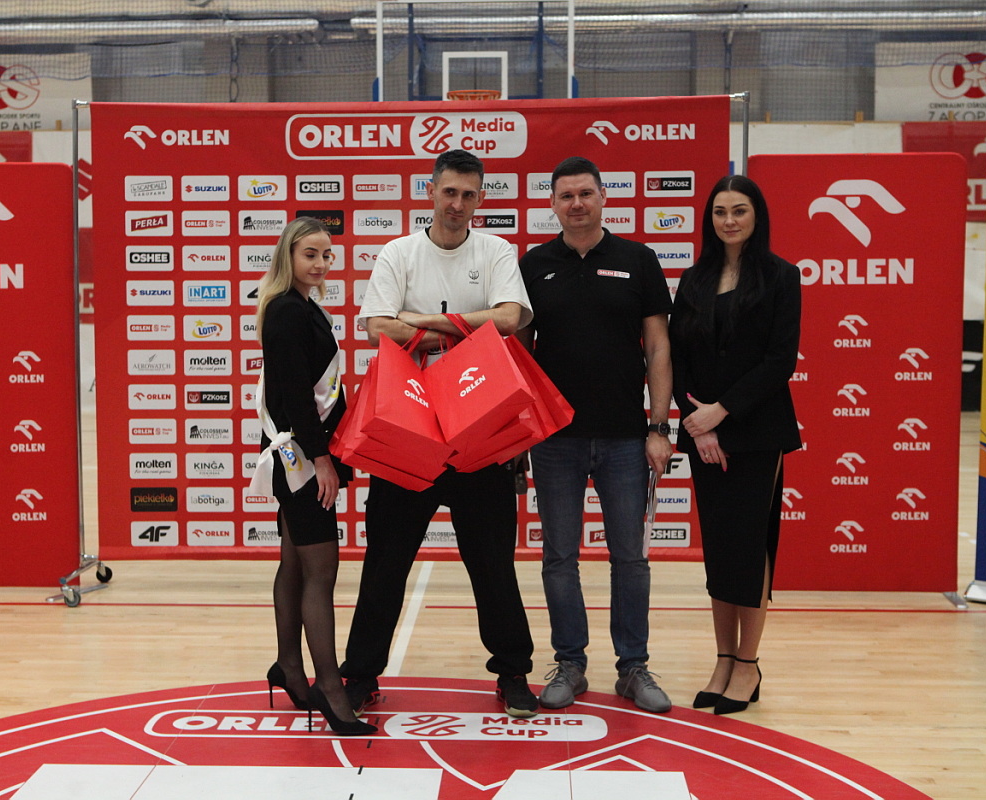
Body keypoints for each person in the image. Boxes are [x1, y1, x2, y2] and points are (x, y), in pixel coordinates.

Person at [340, 149, 539, 718]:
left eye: (469, 195)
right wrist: (465, 333)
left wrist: (424, 321)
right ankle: (361, 674)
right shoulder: (399, 252)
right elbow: (377, 327)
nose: (457, 204)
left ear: (481, 199)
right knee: (385, 562)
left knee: (493, 564)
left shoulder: (495, 250)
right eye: (449, 192)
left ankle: (513, 673)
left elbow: (509, 318)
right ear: (430, 192)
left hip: (479, 434)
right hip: (410, 432)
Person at [517, 156, 674, 713]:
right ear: (553, 204)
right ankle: (571, 664)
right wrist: (519, 431)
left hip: (626, 438)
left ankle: (633, 668)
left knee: (630, 558)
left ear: (604, 197)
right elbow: (520, 356)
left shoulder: (639, 260)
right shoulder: (534, 265)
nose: (577, 204)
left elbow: (658, 347)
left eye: (586, 193)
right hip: (554, 440)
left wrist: (659, 427)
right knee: (559, 557)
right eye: (566, 196)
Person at [669, 174, 802, 715]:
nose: (729, 220)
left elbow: (779, 361)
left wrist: (721, 412)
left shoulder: (781, 276)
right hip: (705, 434)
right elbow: (676, 357)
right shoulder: (694, 278)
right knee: (720, 550)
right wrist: (697, 424)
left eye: (739, 210)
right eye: (720, 211)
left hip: (756, 432)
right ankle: (723, 658)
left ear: (757, 216)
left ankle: (748, 663)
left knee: (750, 548)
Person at [251, 216, 376, 736]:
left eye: (327, 255)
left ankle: (288, 665)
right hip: (301, 459)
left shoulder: (304, 307)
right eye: (310, 254)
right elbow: (298, 396)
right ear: (288, 256)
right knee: (321, 571)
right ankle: (329, 687)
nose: (321, 264)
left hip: (300, 454)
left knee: (294, 563)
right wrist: (322, 458)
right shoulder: (286, 310)